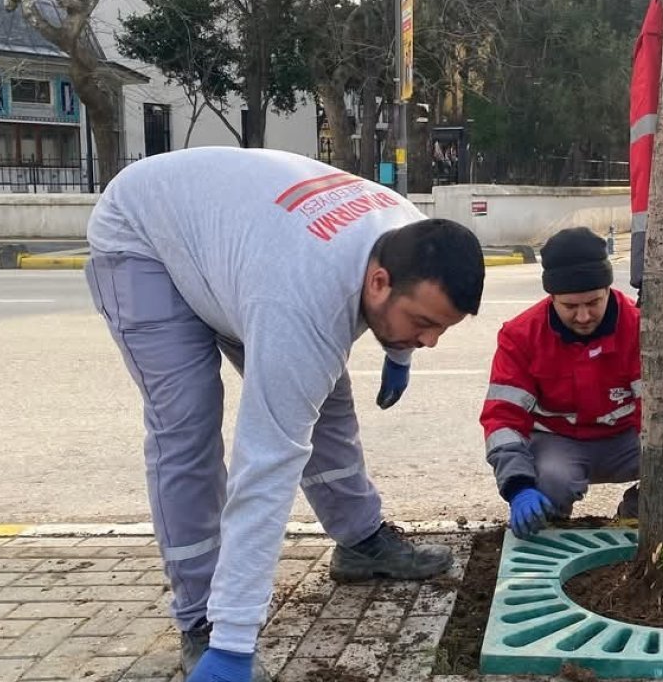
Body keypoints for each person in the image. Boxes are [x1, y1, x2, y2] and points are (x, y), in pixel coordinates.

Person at [84, 147, 486, 682]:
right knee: (188, 429)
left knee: (328, 402)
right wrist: (234, 640)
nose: (432, 341)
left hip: (235, 246)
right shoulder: (300, 300)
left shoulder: (412, 233)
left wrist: (401, 351)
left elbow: (409, 306)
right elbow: (266, 466)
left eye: (442, 328)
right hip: (144, 237)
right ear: (378, 283)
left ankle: (361, 542)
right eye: (422, 324)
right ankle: (203, 618)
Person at [481, 227, 663, 539]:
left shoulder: (640, 327)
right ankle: (551, 526)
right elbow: (503, 418)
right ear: (552, 297)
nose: (584, 316)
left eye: (594, 302)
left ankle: (636, 514)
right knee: (550, 482)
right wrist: (518, 486)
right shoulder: (521, 336)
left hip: (624, 439)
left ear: (607, 290)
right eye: (570, 307)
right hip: (558, 444)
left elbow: (655, 409)